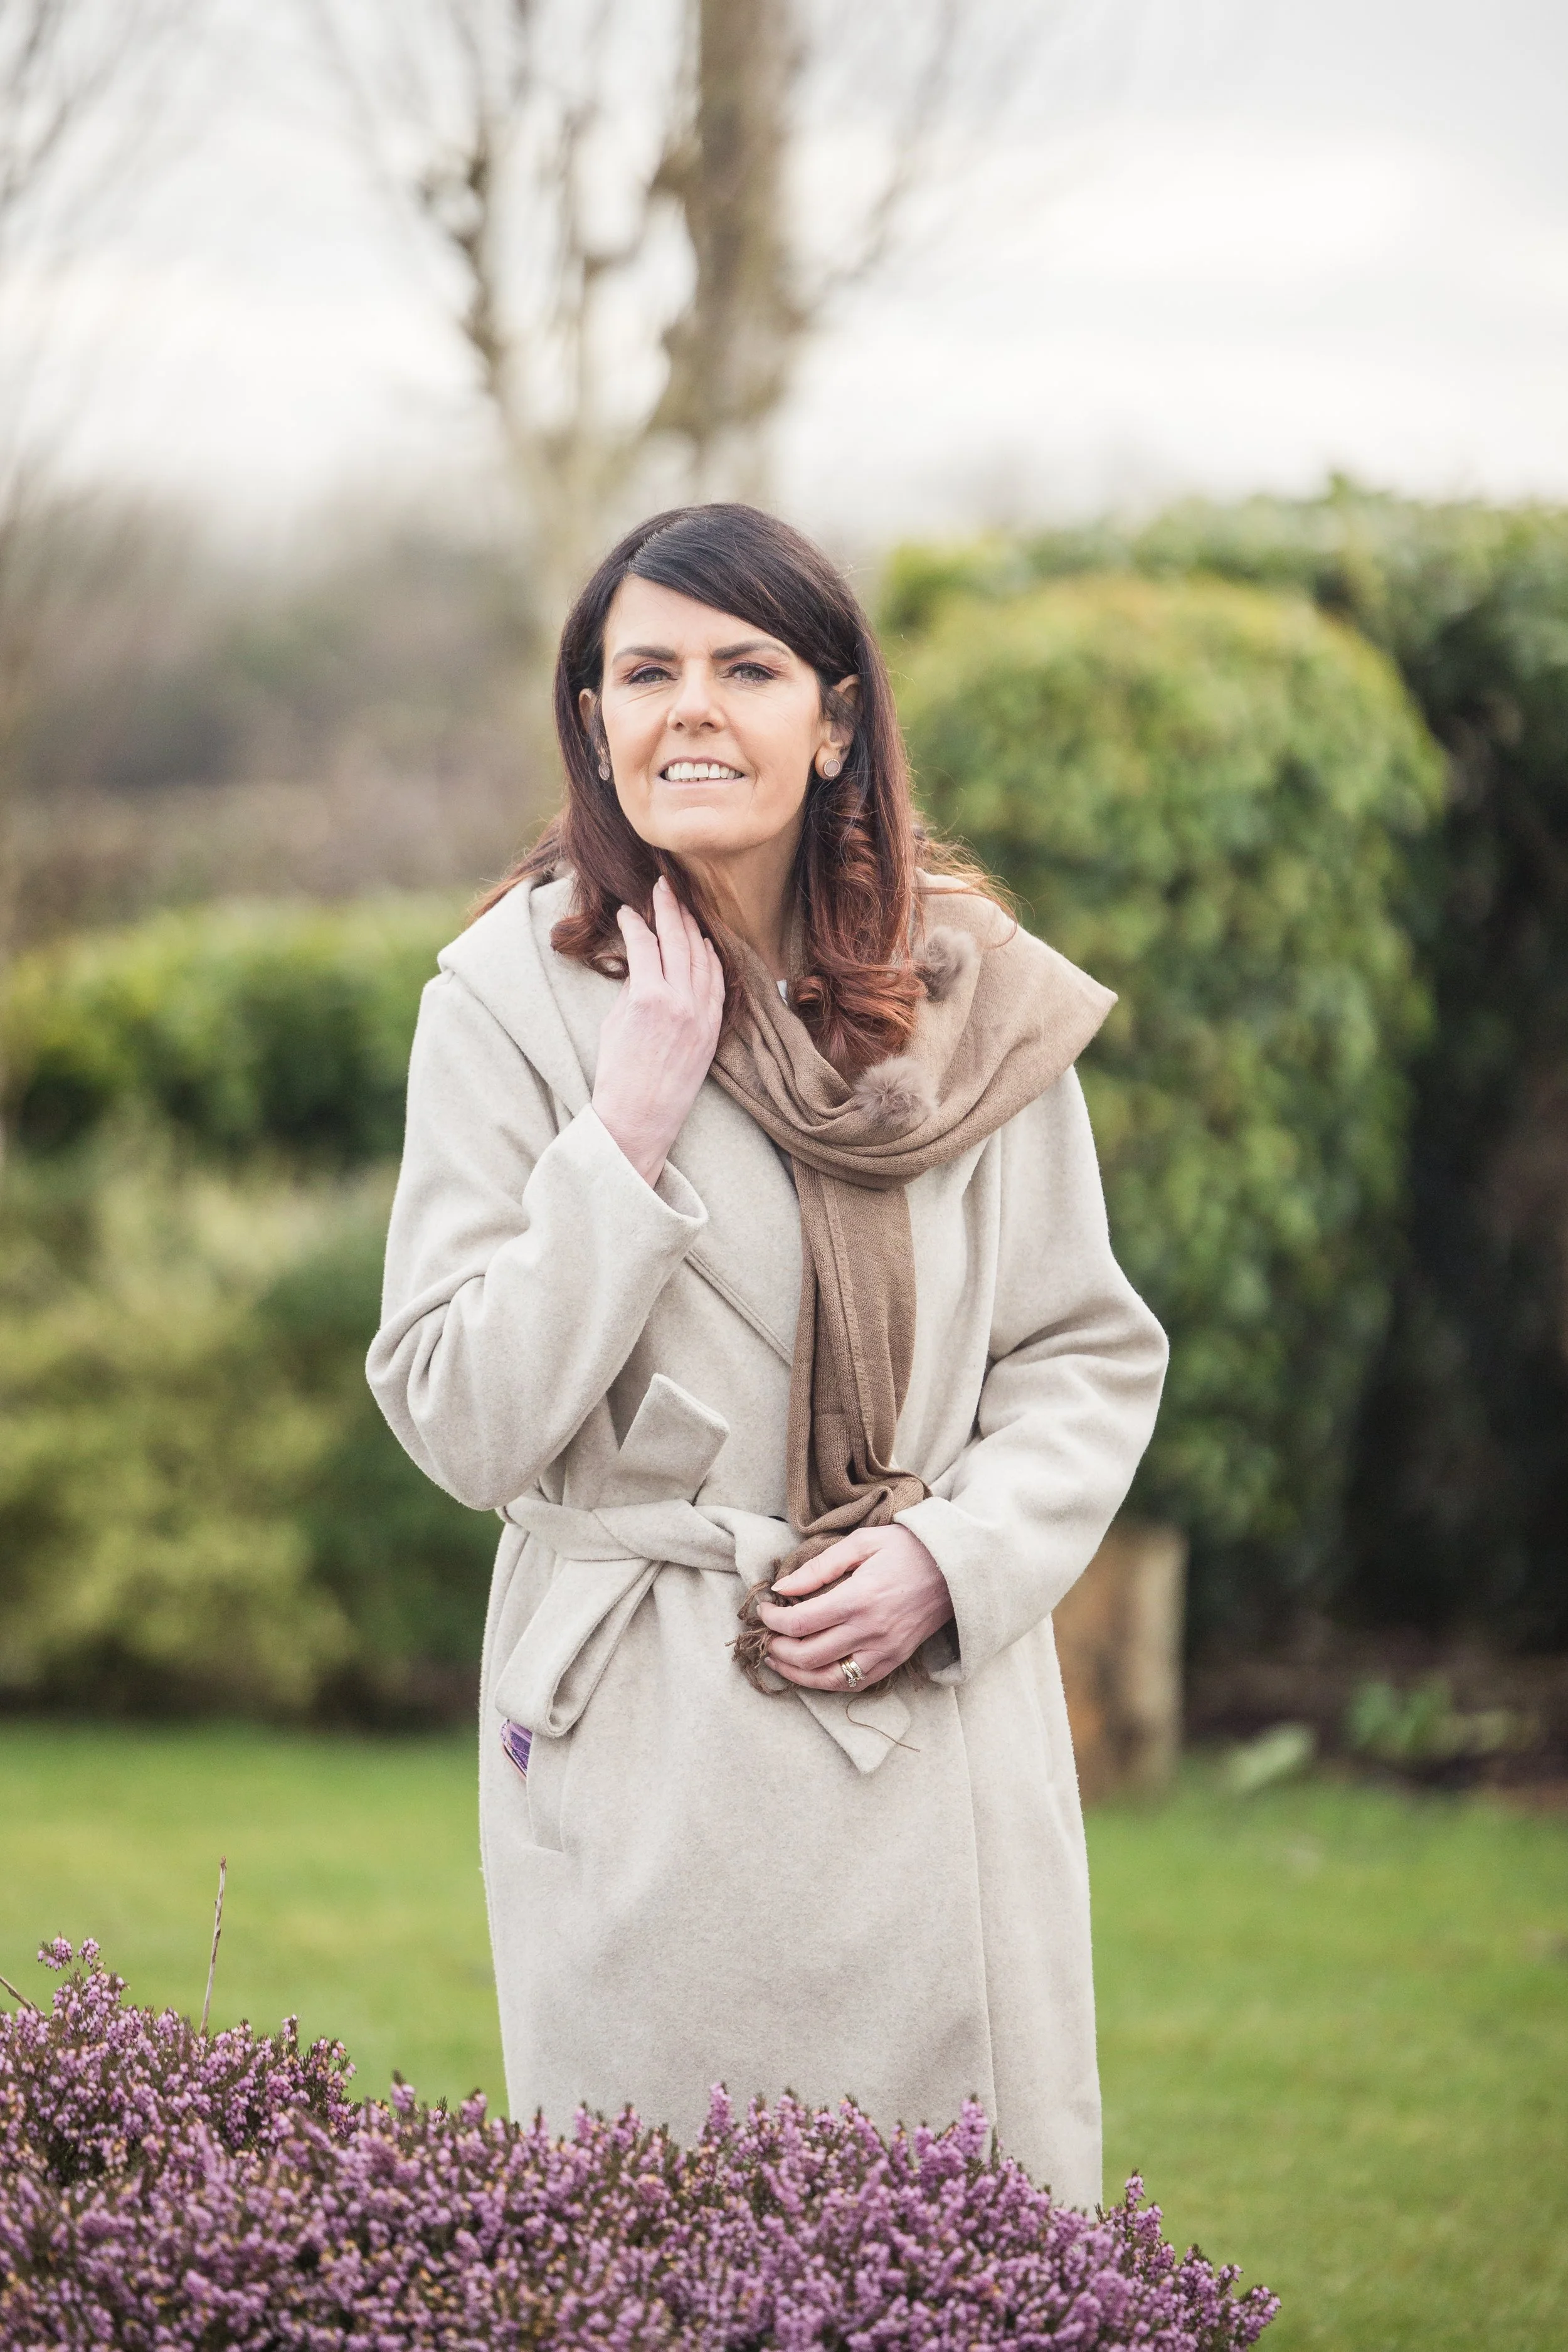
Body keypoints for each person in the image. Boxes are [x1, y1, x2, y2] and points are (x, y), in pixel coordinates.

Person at [368, 502, 1168, 2206]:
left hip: (931, 1722)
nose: (691, 710)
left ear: (837, 720)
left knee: (957, 2252)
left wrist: (950, 1562)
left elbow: (1079, 1357)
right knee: (672, 2240)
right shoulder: (505, 998)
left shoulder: (973, 990)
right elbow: (456, 1411)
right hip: (658, 1732)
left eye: (746, 667)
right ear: (592, 719)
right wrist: (628, 1125)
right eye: (643, 670)